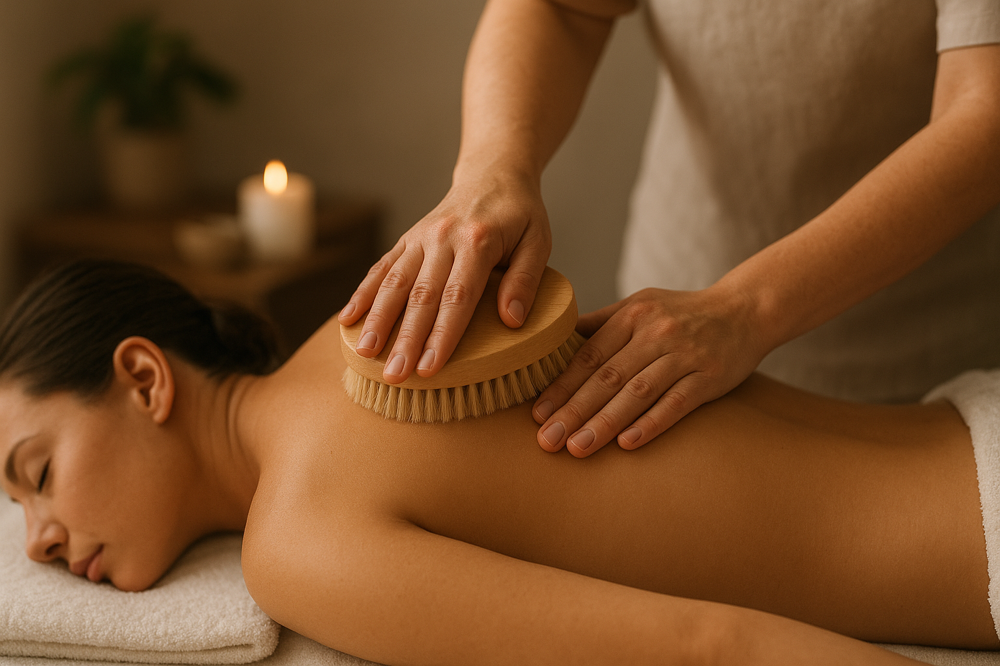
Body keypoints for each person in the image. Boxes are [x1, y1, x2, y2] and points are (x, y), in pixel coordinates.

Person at [1, 260, 998, 665]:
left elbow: (710, 649)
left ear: (143, 378)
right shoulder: (372, 320)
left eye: (35, 474)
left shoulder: (297, 542)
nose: (36, 543)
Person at [337, 0, 1000, 458]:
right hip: (670, 311)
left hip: (929, 359)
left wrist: (745, 309)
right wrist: (491, 168)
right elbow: (566, 9)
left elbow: (983, 114)